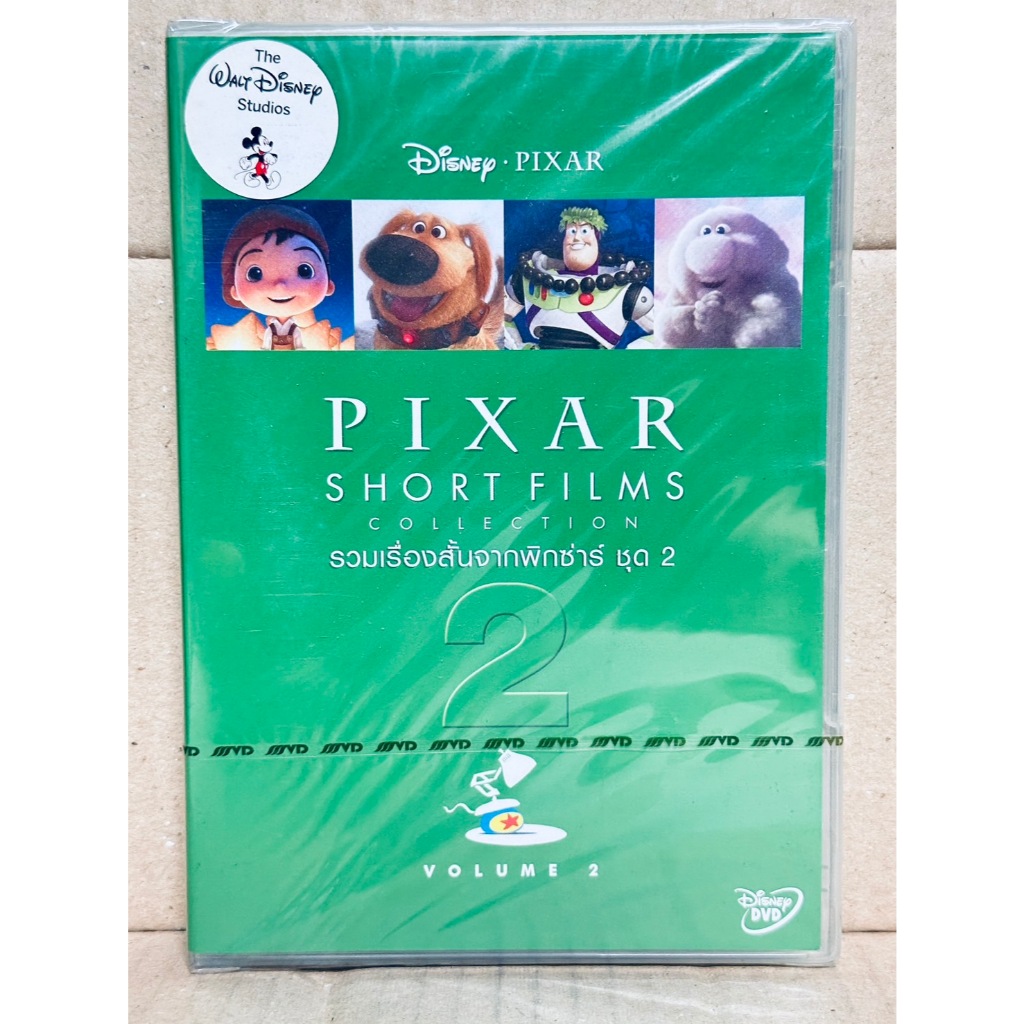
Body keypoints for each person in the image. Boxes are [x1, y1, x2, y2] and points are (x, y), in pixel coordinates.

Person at [503, 206, 654, 350]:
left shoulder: (629, 292)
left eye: (584, 231)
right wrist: (517, 346)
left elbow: (661, 332)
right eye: (572, 231)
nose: (577, 238)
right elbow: (499, 315)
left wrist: (628, 357)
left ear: (596, 238)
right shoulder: (527, 280)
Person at [207, 205, 348, 350]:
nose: (280, 286)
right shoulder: (268, 330)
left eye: (304, 271)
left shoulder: (300, 330)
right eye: (255, 274)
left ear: (329, 285)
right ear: (234, 290)